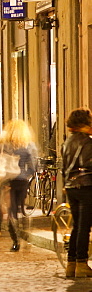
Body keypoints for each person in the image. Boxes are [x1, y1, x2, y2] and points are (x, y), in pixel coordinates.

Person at [61, 108, 92, 279]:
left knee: (77, 225)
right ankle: (81, 262)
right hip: (85, 185)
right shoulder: (87, 141)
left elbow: (65, 166)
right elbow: (87, 163)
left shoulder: (68, 141)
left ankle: (71, 263)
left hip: (71, 186)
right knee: (84, 226)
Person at [0, 119, 38, 252]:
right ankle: (24, 232)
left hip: (8, 180)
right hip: (22, 180)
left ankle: (15, 241)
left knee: (12, 210)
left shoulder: (5, 145)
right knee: (21, 206)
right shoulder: (29, 145)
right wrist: (25, 174)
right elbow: (34, 166)